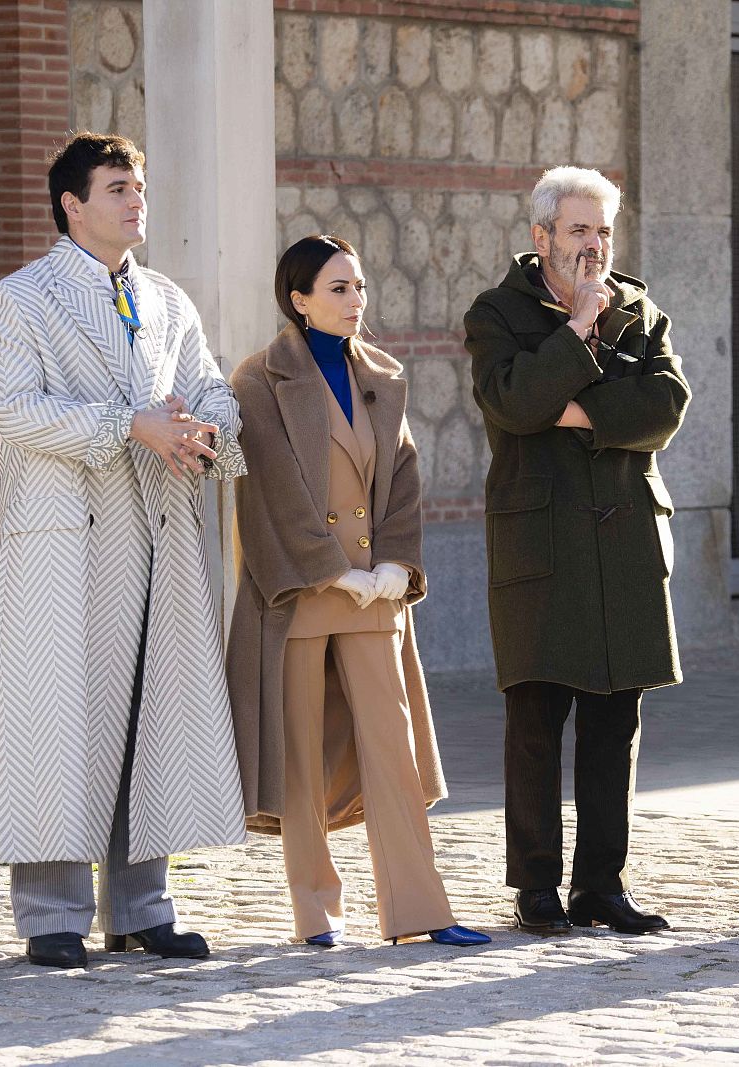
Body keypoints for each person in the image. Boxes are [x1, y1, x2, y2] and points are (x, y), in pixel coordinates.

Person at [0, 133, 249, 968]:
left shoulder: (167, 298)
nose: (135, 200)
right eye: (118, 187)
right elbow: (19, 413)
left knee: (154, 716)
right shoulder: (21, 298)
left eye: (139, 186)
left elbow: (211, 382)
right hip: (67, 548)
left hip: (158, 536)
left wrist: (205, 425)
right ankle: (51, 913)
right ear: (72, 203)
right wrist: (130, 425)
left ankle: (143, 906)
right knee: (60, 723)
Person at [226, 235, 489, 949]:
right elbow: (272, 488)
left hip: (376, 594)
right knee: (302, 760)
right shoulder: (258, 379)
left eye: (360, 287)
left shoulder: (383, 372)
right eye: (338, 288)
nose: (355, 301)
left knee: (394, 752)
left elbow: (403, 475)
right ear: (299, 297)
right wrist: (329, 568)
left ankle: (420, 911)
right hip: (304, 592)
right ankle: (316, 912)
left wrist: (396, 566)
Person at [465, 166, 690, 935]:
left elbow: (665, 406)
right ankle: (534, 887)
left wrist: (571, 409)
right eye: (578, 231)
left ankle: (602, 885)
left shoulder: (641, 310)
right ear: (542, 238)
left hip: (624, 538)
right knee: (535, 719)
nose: (594, 246)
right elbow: (512, 401)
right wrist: (573, 336)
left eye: (603, 231)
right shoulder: (496, 312)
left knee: (613, 721)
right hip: (542, 539)